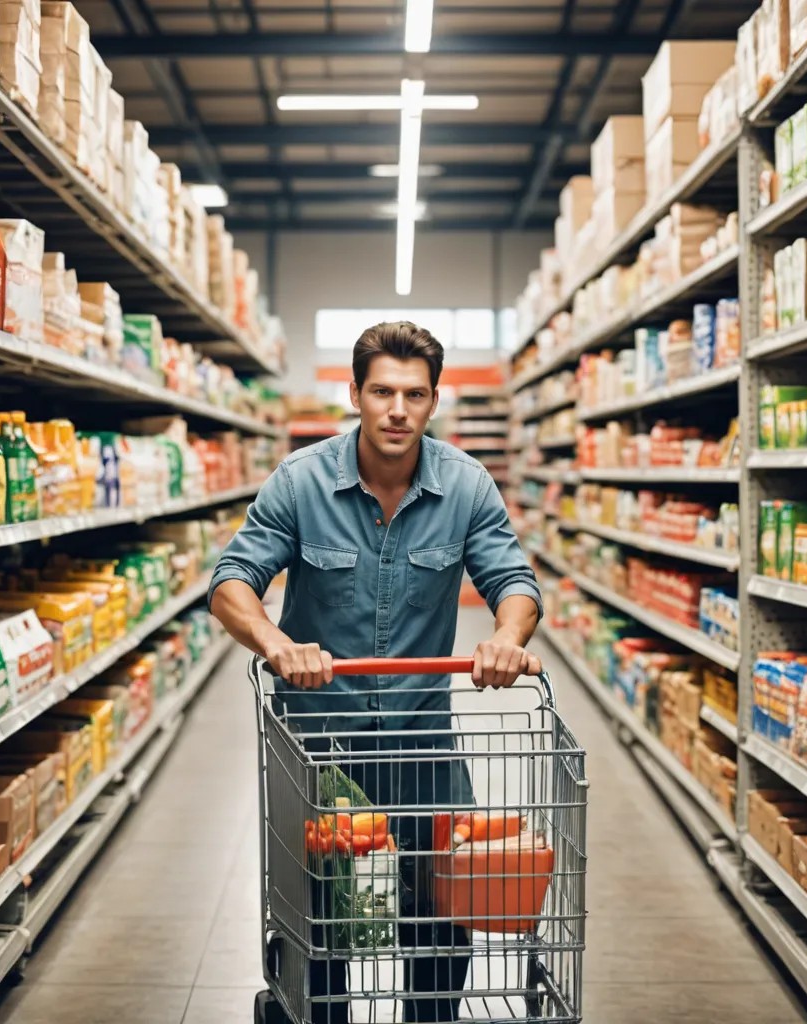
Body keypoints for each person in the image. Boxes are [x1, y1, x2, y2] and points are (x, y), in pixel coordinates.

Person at [209, 321, 544, 1023]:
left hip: (424, 747)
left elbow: (512, 578)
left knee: (439, 924)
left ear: (434, 401)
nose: (398, 409)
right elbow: (232, 580)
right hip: (322, 751)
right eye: (383, 391)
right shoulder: (300, 484)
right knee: (324, 931)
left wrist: (508, 638)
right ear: (356, 394)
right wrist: (274, 641)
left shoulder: (466, 485)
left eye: (414, 395)